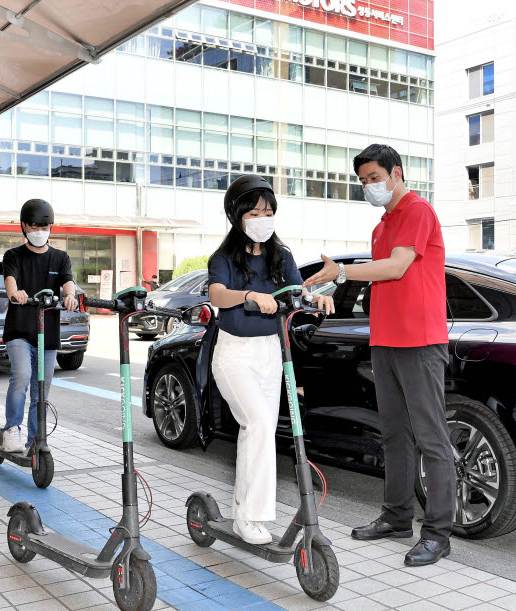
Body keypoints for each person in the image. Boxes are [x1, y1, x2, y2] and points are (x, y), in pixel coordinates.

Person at [303, 144, 454, 567]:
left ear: (396, 173)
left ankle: (439, 533)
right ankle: (396, 517)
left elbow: (396, 267)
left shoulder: (418, 212)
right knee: (394, 435)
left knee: (431, 439)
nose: (370, 186)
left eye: (375, 178)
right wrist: (329, 286)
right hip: (386, 341)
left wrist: (344, 272)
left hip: (421, 342)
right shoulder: (383, 224)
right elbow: (380, 276)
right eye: (364, 181)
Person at [207, 175, 334, 544]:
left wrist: (317, 298)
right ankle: (251, 518)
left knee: (258, 433)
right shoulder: (224, 258)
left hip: (271, 354)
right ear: (238, 214)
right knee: (260, 422)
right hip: (234, 354)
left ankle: (243, 513)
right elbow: (216, 293)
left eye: (269, 211)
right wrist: (248, 294)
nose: (264, 217)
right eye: (256, 211)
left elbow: (299, 290)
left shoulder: (283, 256)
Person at [1, 198, 78, 454]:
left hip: (47, 333)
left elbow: (68, 282)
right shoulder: (13, 256)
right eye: (34, 226)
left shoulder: (60, 258)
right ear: (24, 226)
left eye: (44, 226)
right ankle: (12, 429)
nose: (39, 231)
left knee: (41, 391)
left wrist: (70, 296)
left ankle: (36, 438)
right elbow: (10, 282)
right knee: (22, 376)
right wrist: (16, 294)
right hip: (20, 332)